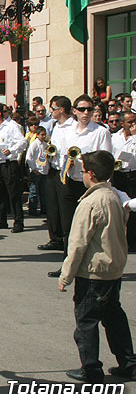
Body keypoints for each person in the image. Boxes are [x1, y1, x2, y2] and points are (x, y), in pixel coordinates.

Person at [58, 150, 136, 383]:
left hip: (94, 273)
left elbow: (78, 244)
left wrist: (65, 276)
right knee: (114, 317)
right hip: (113, 269)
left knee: (86, 322)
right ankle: (129, 362)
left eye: (82, 172)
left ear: (90, 174)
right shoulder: (115, 196)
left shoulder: (90, 202)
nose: (81, 176)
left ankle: (91, 369)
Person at [48, 94, 112, 277]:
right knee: (69, 226)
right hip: (69, 180)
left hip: (90, 185)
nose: (86, 113)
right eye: (82, 109)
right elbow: (61, 154)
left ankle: (89, 264)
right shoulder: (68, 131)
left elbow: (105, 159)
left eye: (90, 109)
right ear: (74, 111)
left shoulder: (100, 132)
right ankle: (67, 265)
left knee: (90, 227)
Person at [39, 96, 74, 256]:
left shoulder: (72, 126)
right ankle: (55, 238)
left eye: (53, 108)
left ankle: (67, 243)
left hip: (64, 171)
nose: (50, 111)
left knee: (64, 209)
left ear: (61, 109)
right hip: (53, 168)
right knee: (52, 206)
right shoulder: (55, 125)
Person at [0, 102, 27, 233]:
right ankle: (1, 220)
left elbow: (23, 142)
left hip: (8, 163)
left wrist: (11, 150)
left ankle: (18, 221)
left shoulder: (11, 127)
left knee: (13, 194)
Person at [111, 111, 136, 252]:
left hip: (133, 174)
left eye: (134, 121)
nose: (133, 125)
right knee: (118, 207)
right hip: (118, 174)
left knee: (132, 208)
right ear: (122, 124)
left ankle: (132, 240)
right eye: (130, 122)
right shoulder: (115, 137)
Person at [25, 126, 49, 216]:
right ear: (37, 135)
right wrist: (33, 169)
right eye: (42, 135)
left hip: (44, 170)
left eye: (44, 135)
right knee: (34, 190)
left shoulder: (46, 145)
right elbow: (29, 157)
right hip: (36, 170)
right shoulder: (34, 144)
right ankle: (32, 209)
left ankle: (44, 209)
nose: (43, 137)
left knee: (43, 191)